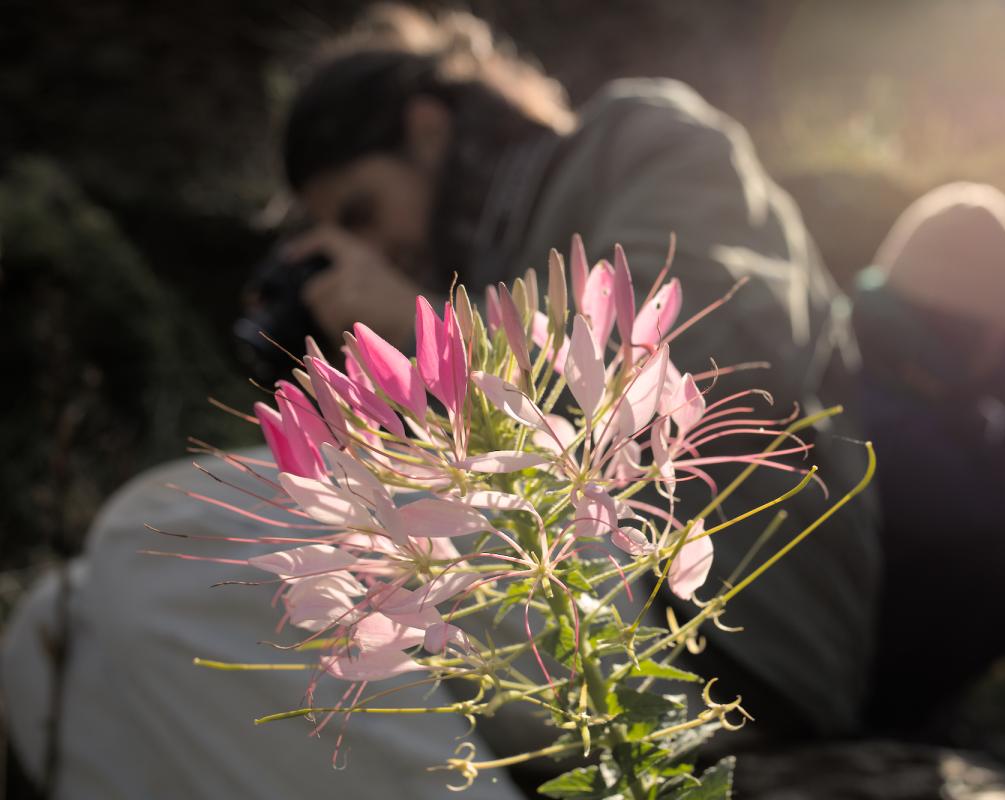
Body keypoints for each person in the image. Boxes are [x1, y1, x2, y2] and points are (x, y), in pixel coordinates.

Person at [2, 5, 877, 797]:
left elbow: (669, 359)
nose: (364, 248)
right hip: (556, 560)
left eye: (361, 210)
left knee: (165, 537)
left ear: (427, 132)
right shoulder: (459, 272)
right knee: (55, 633)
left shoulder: (635, 137)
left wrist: (413, 334)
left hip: (712, 613)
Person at [853, 182, 1005, 735]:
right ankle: (889, 724)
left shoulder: (872, 354)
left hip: (844, 606)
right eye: (1003, 334)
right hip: (852, 639)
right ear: (966, 334)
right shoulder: (883, 414)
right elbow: (980, 523)